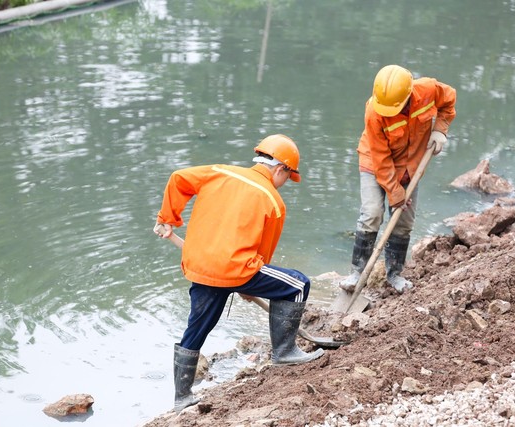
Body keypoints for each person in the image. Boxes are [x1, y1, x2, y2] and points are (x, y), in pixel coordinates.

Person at [153, 134, 324, 412]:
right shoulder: (273, 201)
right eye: (287, 177)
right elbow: (263, 256)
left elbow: (177, 178)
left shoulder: (218, 172)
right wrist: (249, 285)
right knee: (298, 285)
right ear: (280, 169)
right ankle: (284, 352)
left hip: (200, 267)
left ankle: (182, 396)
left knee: (197, 327)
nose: (285, 184)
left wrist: (166, 219)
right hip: (236, 270)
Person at [340, 64, 457, 294]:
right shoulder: (374, 111)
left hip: (410, 165)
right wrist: (396, 194)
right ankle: (357, 272)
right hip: (374, 162)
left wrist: (440, 130)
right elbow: (381, 159)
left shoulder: (428, 90)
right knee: (372, 213)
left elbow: (449, 101)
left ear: (408, 95)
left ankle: (394, 274)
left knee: (403, 221)